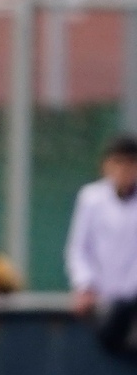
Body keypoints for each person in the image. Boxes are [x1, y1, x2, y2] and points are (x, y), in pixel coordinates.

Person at [64, 134, 137, 355]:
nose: (124, 170)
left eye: (131, 163)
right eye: (117, 162)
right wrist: (85, 285)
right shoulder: (90, 198)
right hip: (101, 302)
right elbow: (78, 248)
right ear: (105, 165)